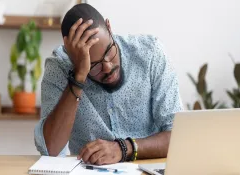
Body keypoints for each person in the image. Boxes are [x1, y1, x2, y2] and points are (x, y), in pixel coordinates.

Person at [34, 3, 183, 165]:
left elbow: (178, 135)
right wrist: (79, 76)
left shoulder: (150, 53)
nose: (108, 67)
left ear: (109, 28)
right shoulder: (59, 67)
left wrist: (123, 148)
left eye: (109, 51)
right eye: (93, 65)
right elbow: (51, 150)